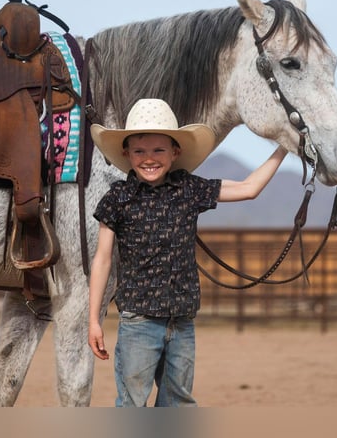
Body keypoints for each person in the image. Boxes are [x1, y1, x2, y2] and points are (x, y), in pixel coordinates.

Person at [87, 98, 288, 407]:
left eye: (158, 150)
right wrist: (94, 320)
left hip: (181, 323)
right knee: (131, 405)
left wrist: (284, 147)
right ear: (126, 154)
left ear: (175, 152)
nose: (149, 159)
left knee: (178, 404)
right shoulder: (118, 198)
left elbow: (249, 188)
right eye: (139, 151)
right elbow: (102, 259)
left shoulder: (189, 189)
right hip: (138, 322)